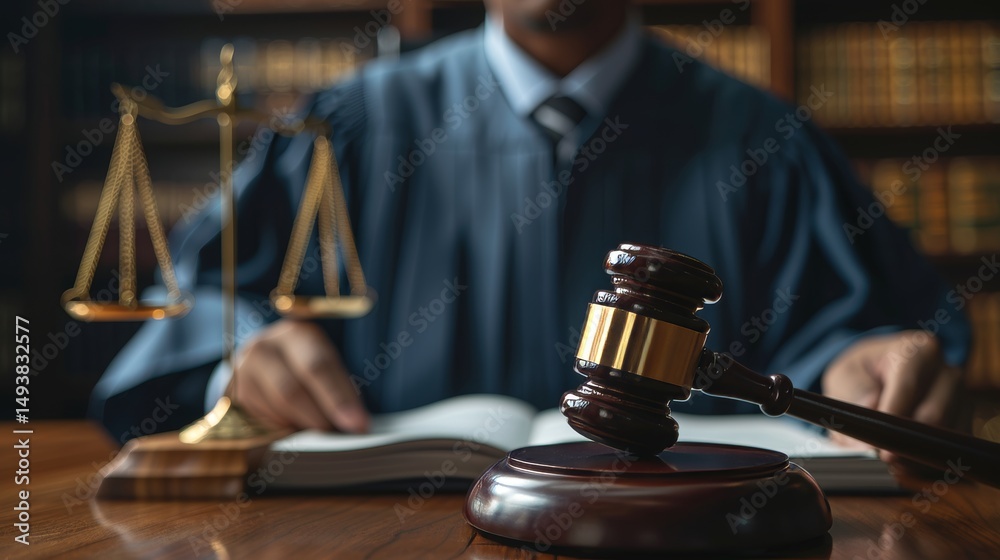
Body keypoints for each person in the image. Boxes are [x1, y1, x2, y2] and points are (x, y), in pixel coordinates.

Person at [90, 0, 970, 452]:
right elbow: (193, 302)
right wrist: (239, 354)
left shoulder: (764, 140)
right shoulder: (345, 130)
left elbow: (853, 336)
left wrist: (862, 368)